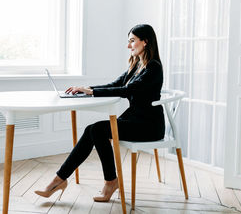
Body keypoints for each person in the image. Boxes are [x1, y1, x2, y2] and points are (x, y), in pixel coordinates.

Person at [34, 24, 165, 202]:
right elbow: (114, 85)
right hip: (135, 120)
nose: (129, 46)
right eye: (128, 41)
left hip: (148, 126)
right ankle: (60, 180)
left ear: (145, 41)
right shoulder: (137, 66)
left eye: (132, 41)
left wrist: (91, 92)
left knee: (97, 130)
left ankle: (103, 181)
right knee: (92, 129)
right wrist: (86, 89)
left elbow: (126, 90)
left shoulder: (153, 68)